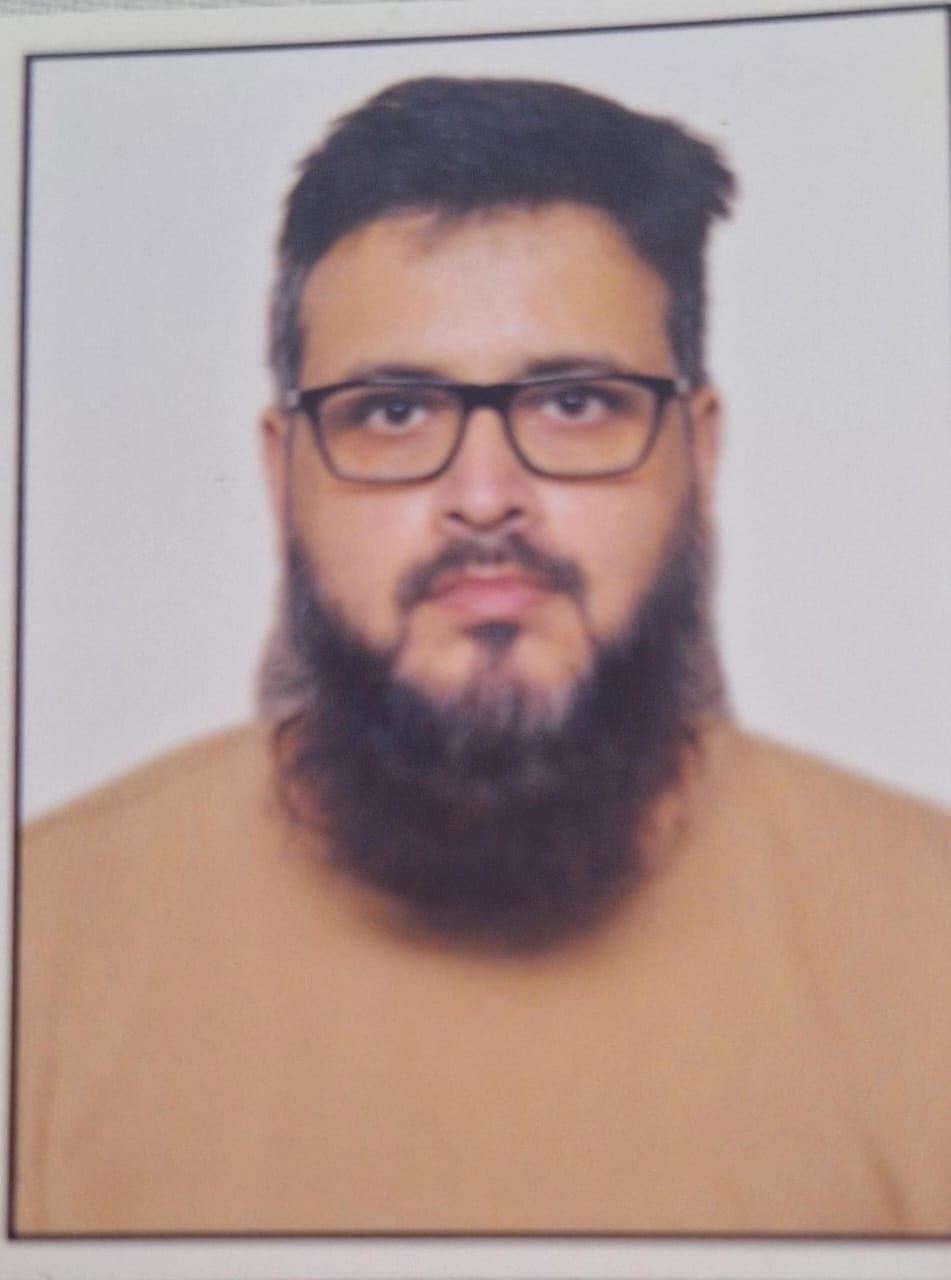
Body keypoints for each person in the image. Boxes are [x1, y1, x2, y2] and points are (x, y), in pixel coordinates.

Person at [15, 76, 951, 1236]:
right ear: (282, 473)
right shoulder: (40, 941)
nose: (485, 495)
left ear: (699, 454)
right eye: (394, 411)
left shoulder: (925, 934)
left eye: (576, 401)